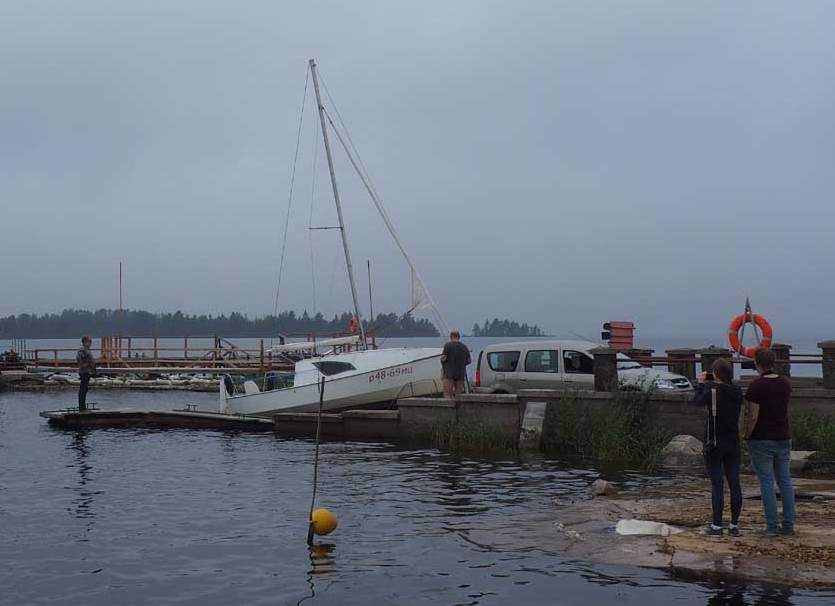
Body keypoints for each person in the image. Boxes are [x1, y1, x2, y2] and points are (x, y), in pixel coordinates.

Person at [745, 347, 796, 536]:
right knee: (785, 480)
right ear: (773, 362)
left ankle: (772, 527)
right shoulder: (785, 383)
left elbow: (753, 416)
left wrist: (747, 435)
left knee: (766, 481)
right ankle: (789, 524)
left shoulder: (756, 386)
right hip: (783, 435)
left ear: (757, 363)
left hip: (762, 438)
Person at [694, 357, 743, 536]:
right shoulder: (737, 391)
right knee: (734, 482)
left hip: (714, 442)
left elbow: (697, 401)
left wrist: (701, 384)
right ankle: (734, 525)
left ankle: (716, 526)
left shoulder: (712, 391)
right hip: (733, 441)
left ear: (715, 374)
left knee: (717, 484)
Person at [440, 330, 470, 399]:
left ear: (451, 336)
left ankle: (449, 408)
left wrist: (441, 361)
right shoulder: (464, 347)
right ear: (459, 337)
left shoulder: (447, 345)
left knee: (447, 394)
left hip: (449, 374)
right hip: (461, 374)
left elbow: (443, 358)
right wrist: (462, 364)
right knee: (458, 395)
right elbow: (469, 360)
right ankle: (458, 408)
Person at [76, 335, 96, 411]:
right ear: (84, 342)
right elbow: (79, 360)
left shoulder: (87, 350)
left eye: (91, 342)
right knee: (83, 390)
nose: (90, 343)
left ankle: (82, 407)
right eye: (89, 341)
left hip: (88, 372)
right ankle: (82, 407)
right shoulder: (82, 350)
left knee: (85, 389)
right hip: (84, 372)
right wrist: (86, 364)